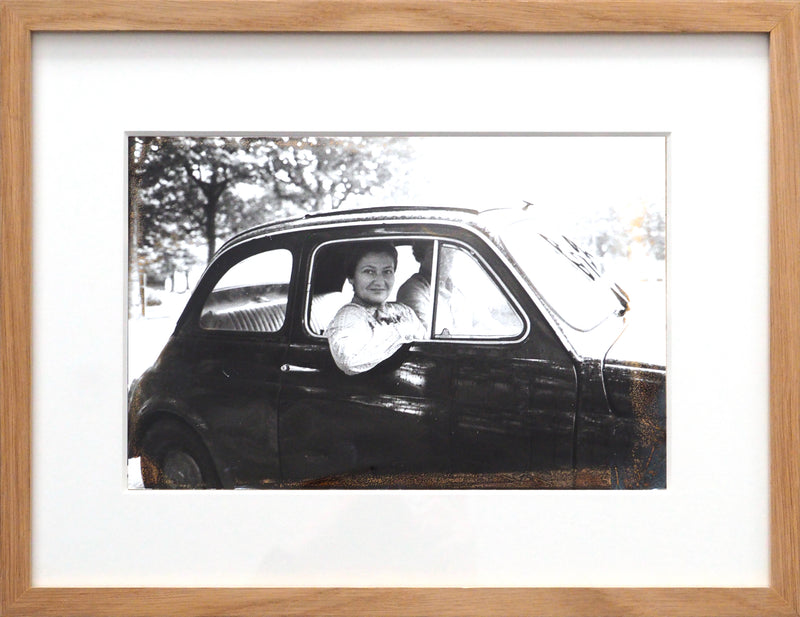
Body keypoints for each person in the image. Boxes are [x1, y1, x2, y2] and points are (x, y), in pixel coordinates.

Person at [326, 241, 425, 375]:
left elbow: (424, 340)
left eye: (387, 271)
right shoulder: (349, 316)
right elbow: (349, 360)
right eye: (369, 271)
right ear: (351, 277)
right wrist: (402, 330)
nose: (379, 281)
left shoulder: (402, 310)